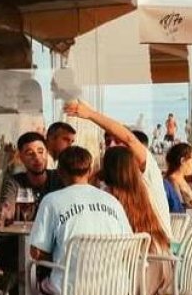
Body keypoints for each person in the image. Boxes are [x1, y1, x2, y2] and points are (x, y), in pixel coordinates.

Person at [29, 145, 131, 295]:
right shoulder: (112, 201)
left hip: (75, 287)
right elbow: (128, 243)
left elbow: (36, 253)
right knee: (85, 274)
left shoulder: (53, 200)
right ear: (90, 169)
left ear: (61, 172)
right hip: (114, 287)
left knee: (39, 281)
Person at [64, 100, 171, 240]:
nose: (112, 145)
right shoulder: (104, 187)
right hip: (128, 257)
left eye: (117, 140)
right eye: (108, 141)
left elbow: (129, 139)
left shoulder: (149, 174)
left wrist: (90, 114)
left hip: (153, 257)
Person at [102, 146, 173, 295]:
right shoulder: (146, 190)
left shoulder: (107, 198)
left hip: (135, 286)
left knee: (91, 284)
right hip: (161, 279)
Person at [0, 132, 64, 222]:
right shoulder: (14, 182)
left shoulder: (60, 178)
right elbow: (7, 209)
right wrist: (5, 211)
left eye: (41, 152)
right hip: (21, 235)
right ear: (21, 157)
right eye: (29, 153)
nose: (37, 157)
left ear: (47, 153)